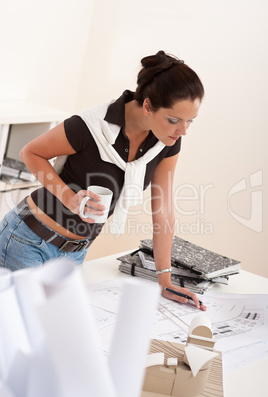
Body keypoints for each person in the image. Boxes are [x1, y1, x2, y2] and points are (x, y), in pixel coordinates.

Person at [0, 50, 206, 310]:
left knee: (58, 332)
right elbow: (30, 153)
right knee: (20, 333)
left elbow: (163, 210)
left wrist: (164, 279)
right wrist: (69, 198)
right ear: (147, 106)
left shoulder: (166, 144)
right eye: (174, 120)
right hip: (28, 240)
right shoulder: (90, 126)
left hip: (74, 253)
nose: (183, 131)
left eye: (190, 122)